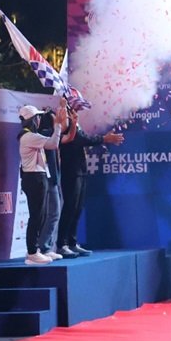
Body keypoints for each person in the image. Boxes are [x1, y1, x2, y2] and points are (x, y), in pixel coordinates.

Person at [57, 107, 124, 258]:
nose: (77, 111)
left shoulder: (75, 123)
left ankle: (72, 243)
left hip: (80, 171)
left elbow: (83, 138)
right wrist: (104, 139)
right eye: (73, 109)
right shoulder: (64, 125)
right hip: (71, 172)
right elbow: (81, 140)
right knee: (69, 207)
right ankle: (62, 244)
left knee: (77, 208)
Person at [18, 99, 67, 265]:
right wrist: (58, 125)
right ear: (33, 120)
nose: (39, 120)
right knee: (37, 216)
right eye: (37, 118)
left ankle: (38, 249)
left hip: (38, 176)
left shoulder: (30, 136)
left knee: (42, 215)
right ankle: (32, 252)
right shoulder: (29, 137)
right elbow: (53, 144)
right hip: (34, 178)